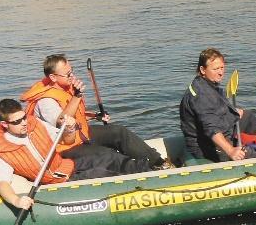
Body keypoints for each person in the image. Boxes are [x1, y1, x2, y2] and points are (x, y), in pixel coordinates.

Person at [20, 54, 168, 172]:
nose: (72, 76)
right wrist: (77, 96)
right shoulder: (45, 101)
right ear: (53, 77)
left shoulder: (65, 88)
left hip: (80, 134)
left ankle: (158, 162)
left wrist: (95, 116)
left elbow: (77, 115)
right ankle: (145, 171)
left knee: (118, 132)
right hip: (65, 146)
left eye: (72, 71)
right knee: (107, 154)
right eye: (67, 74)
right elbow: (62, 121)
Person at [0, 99, 134, 210]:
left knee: (109, 157)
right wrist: (16, 201)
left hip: (68, 165)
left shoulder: (35, 124)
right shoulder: (4, 150)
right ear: (4, 124)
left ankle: (148, 170)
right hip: (59, 181)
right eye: (17, 121)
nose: (24, 123)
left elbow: (66, 140)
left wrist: (69, 129)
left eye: (24, 117)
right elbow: (2, 183)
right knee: (101, 172)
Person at [179, 48, 256, 162]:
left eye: (222, 68)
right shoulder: (202, 94)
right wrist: (230, 150)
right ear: (202, 70)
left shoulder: (205, 83)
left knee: (247, 116)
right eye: (215, 69)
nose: (220, 72)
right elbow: (211, 128)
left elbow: (214, 110)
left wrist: (232, 111)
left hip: (221, 130)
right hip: (207, 146)